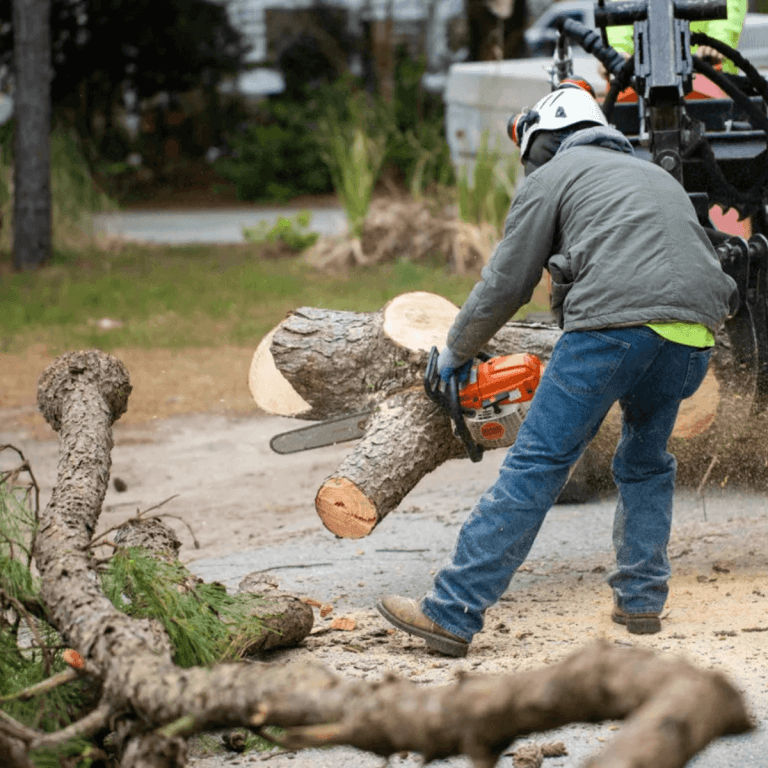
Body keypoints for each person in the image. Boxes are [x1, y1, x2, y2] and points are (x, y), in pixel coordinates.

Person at [376, 84, 738, 658]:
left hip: (611, 334)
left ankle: (450, 611)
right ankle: (641, 600)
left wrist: (454, 350)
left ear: (546, 137)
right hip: (694, 338)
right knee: (645, 463)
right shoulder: (654, 175)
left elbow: (505, 282)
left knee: (538, 461)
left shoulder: (554, 177)